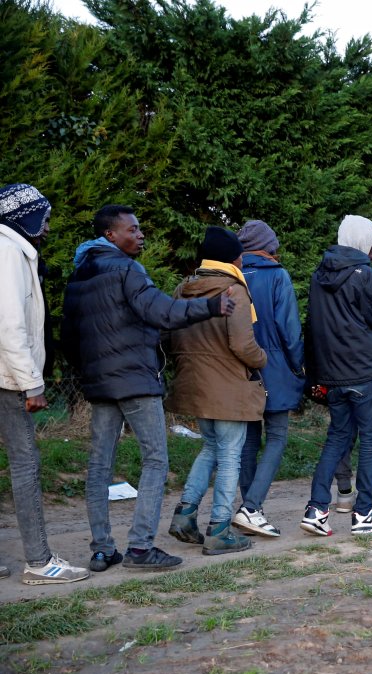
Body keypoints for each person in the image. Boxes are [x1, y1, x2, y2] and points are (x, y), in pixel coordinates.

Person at [64, 205, 235, 572]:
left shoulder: (79, 274)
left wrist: (92, 371)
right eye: (133, 229)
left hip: (100, 383)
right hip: (136, 380)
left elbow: (68, 336)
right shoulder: (127, 269)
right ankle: (140, 548)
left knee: (98, 465)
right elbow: (162, 312)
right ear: (110, 235)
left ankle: (102, 550)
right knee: (155, 459)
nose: (140, 235)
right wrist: (211, 306)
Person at [0, 183, 89, 584]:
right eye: (45, 217)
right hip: (6, 377)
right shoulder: (8, 252)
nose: (48, 227)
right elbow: (9, 326)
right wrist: (31, 382)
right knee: (25, 463)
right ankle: (39, 561)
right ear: (26, 216)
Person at [166, 226, 267, 556]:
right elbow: (242, 344)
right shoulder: (234, 290)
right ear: (234, 257)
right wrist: (262, 359)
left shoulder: (185, 288)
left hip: (194, 385)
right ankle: (220, 529)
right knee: (229, 457)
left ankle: (185, 515)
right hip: (227, 388)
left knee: (210, 448)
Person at [303, 215, 372, 535]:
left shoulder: (319, 276)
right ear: (361, 241)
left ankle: (316, 509)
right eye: (371, 239)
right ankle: (364, 513)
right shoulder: (366, 277)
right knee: (371, 439)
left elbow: (313, 325)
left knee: (338, 438)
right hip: (364, 370)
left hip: (332, 373)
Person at [233, 220, 305, 537]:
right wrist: (298, 366)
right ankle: (251, 507)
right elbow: (289, 329)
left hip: (238, 368)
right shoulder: (278, 276)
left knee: (248, 439)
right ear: (268, 245)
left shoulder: (230, 277)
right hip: (274, 366)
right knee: (276, 436)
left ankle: (251, 510)